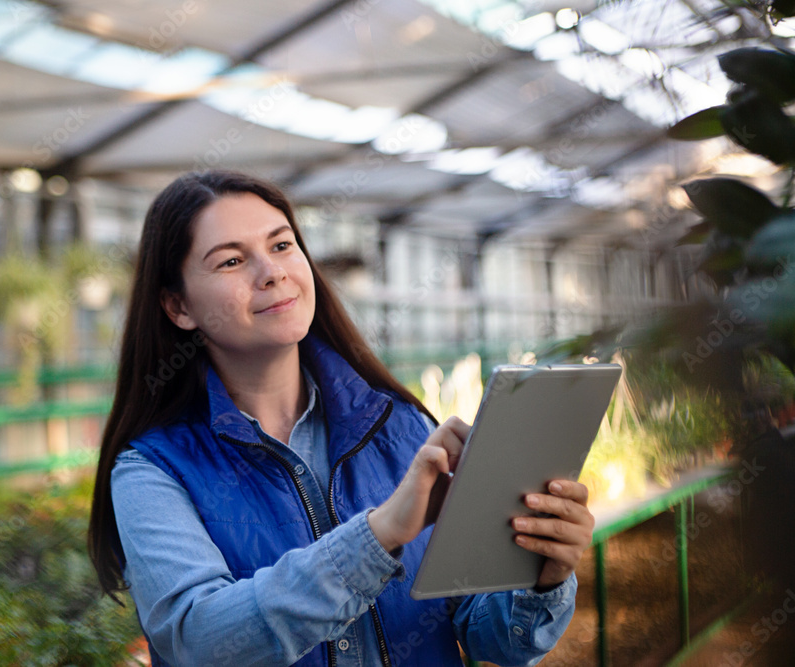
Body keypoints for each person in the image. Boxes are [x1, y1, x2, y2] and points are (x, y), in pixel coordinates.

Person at [88, 170, 595, 667]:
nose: (271, 272)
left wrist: (540, 578)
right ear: (178, 306)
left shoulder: (401, 428)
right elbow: (198, 641)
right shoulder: (153, 472)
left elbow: (491, 640)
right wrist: (380, 533)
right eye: (232, 261)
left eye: (282, 245)